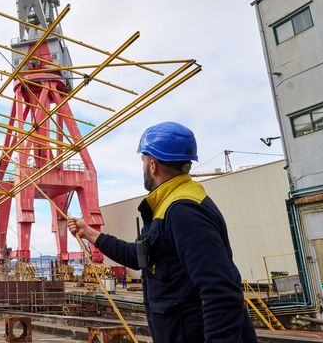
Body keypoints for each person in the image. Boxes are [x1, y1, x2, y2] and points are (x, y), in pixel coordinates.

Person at [67, 122, 257, 342]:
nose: (143, 167)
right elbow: (138, 257)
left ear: (153, 165)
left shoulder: (183, 210)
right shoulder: (168, 207)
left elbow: (220, 292)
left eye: (143, 161)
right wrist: (89, 233)